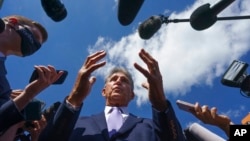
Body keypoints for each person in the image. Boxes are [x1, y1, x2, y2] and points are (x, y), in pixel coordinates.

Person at [39, 49, 186, 141]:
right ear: (103, 91)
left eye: (124, 81)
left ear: (132, 95)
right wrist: (74, 98)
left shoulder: (150, 126)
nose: (118, 82)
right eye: (113, 79)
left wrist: (160, 103)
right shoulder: (77, 123)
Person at [0, 15, 49, 134]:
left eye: (38, 47)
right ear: (13, 22)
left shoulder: (4, 88)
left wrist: (20, 124)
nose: (35, 46)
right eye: (35, 37)